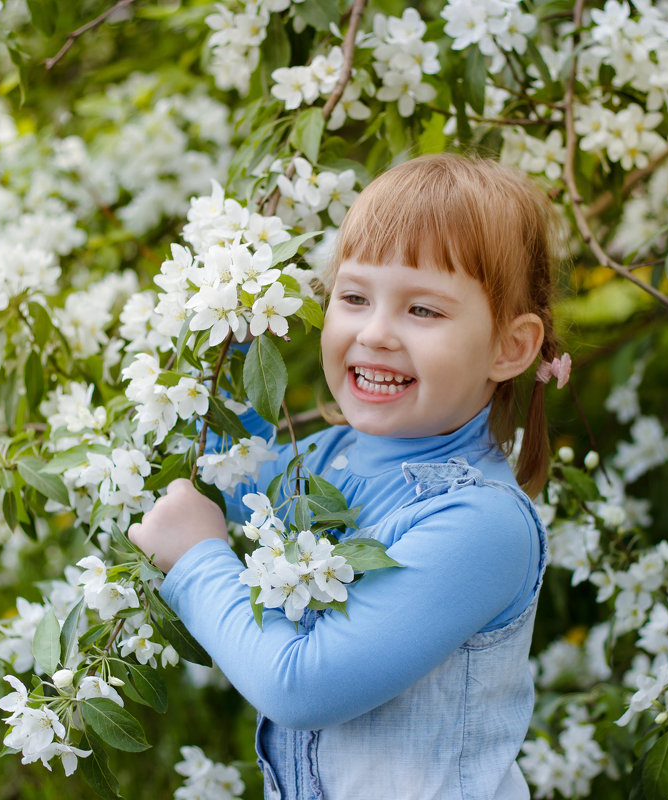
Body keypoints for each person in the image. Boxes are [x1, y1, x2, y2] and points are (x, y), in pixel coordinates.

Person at [128, 153, 569, 800]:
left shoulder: (483, 524)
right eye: (355, 297)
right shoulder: (326, 458)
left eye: (424, 310)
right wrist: (234, 333)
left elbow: (300, 684)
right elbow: (214, 482)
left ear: (509, 347)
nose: (377, 332)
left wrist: (197, 561)